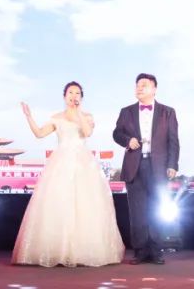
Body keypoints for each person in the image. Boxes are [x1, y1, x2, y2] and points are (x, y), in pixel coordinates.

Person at [12, 81, 125, 267]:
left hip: (83, 163)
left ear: (81, 97)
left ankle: (82, 251)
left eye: (77, 93)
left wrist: (78, 113)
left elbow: (87, 133)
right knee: (59, 203)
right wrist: (29, 117)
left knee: (85, 205)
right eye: (70, 93)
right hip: (61, 162)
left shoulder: (87, 116)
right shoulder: (56, 118)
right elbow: (39, 134)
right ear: (65, 96)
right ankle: (58, 250)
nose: (74, 96)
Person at [112, 73, 180, 265]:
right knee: (137, 211)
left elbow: (173, 140)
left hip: (159, 167)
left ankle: (156, 250)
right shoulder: (126, 111)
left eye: (144, 85)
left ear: (154, 89)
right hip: (135, 165)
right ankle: (140, 251)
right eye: (137, 85)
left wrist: (172, 164)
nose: (139, 88)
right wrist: (128, 140)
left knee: (157, 209)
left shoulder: (168, 112)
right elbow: (116, 133)